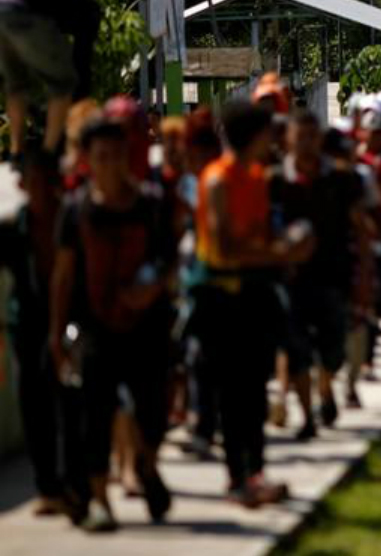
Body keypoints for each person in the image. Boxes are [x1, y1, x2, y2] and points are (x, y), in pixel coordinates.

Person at [49, 118, 175, 531]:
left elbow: (172, 265)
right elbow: (64, 275)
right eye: (100, 157)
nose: (109, 164)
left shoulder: (151, 205)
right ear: (88, 161)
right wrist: (57, 332)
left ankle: (146, 461)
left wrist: (151, 289)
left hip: (147, 326)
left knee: (153, 410)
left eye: (117, 155)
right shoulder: (76, 211)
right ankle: (101, 501)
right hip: (95, 327)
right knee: (95, 415)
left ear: (129, 157)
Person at [193, 100, 312, 506]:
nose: (272, 141)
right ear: (251, 135)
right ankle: (237, 478)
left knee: (255, 389)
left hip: (257, 292)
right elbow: (225, 247)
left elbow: (260, 237)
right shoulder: (217, 180)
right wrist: (280, 254)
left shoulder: (258, 177)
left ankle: (256, 471)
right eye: (266, 133)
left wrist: (289, 246)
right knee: (232, 391)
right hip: (221, 297)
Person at [270, 110, 370, 439]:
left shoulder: (343, 179)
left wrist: (365, 275)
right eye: (300, 137)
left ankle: (325, 387)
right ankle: (308, 416)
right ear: (288, 139)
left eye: (313, 137)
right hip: (291, 279)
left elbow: (361, 228)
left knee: (333, 350)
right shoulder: (275, 181)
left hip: (334, 276)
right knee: (296, 348)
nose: (306, 144)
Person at [0, 149, 86, 519]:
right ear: (22, 184)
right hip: (29, 327)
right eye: (32, 182)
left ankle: (74, 485)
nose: (39, 189)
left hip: (69, 323)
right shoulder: (13, 228)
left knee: (71, 406)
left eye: (46, 181)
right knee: (35, 407)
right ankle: (49, 487)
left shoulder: (70, 218)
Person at [0, 0, 101, 157]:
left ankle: (16, 151)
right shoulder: (88, 13)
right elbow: (81, 62)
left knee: (15, 86)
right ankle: (49, 155)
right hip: (24, 11)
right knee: (63, 84)